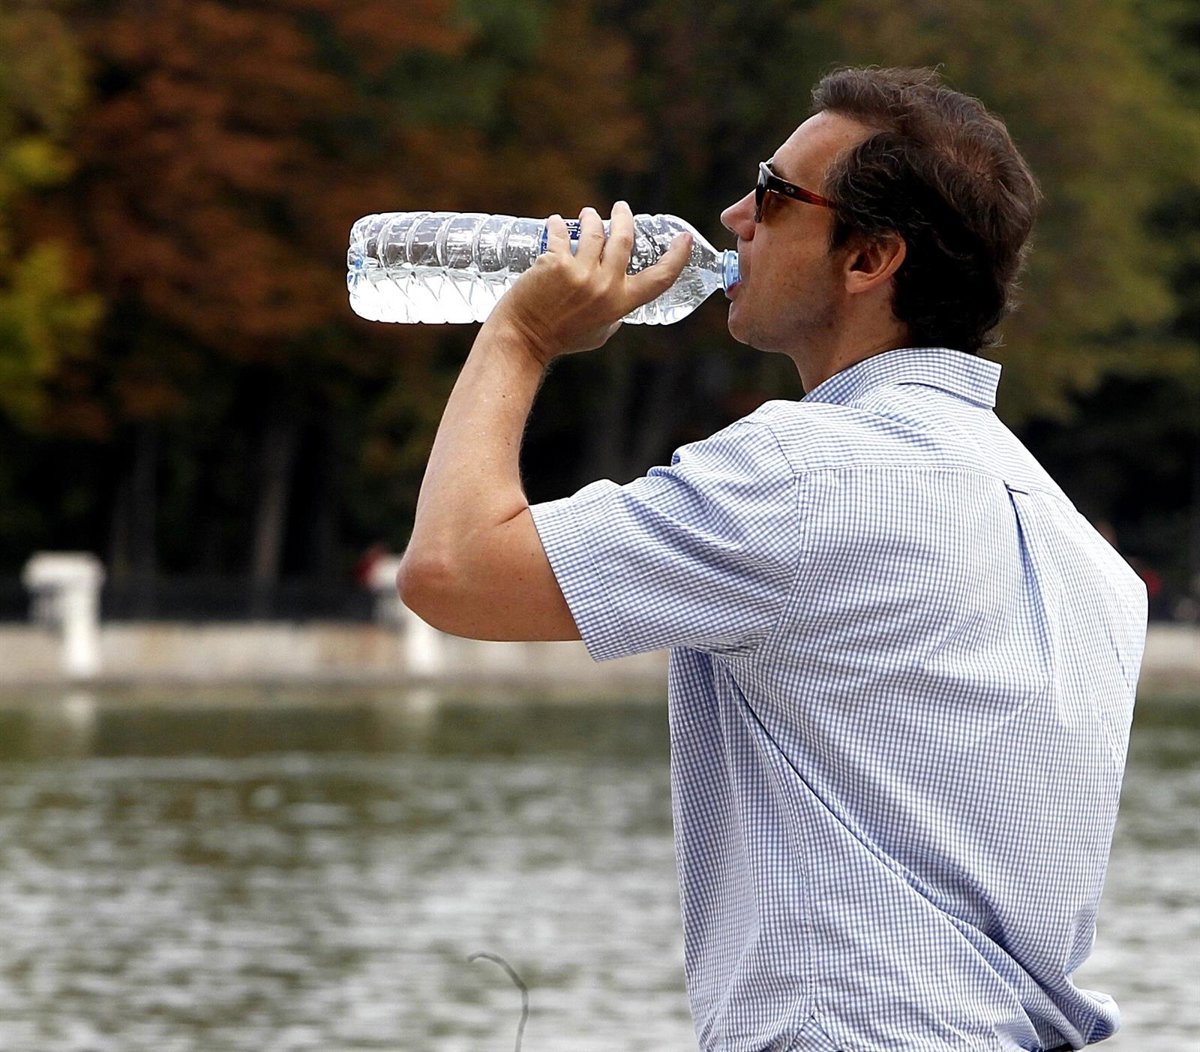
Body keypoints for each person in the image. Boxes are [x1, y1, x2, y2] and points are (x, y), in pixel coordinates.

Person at [397, 67, 1148, 1052]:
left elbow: (451, 570)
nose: (733, 216)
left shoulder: (803, 473)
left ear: (869, 257)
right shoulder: (1075, 542)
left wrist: (522, 334)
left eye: (774, 193)